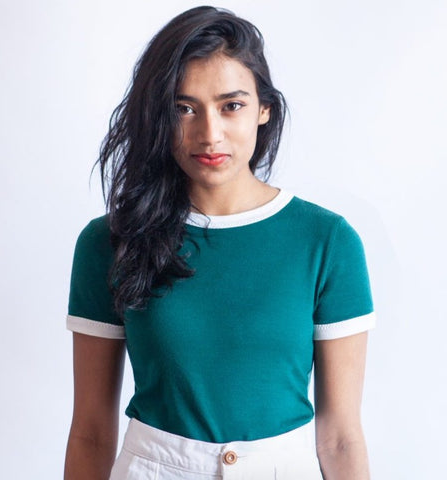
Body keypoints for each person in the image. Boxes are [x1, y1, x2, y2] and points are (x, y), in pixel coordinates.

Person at [64, 6, 375, 480]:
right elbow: (90, 432)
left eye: (231, 106)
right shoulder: (110, 241)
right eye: (184, 108)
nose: (209, 134)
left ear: (264, 109)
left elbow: (340, 438)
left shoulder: (327, 241)